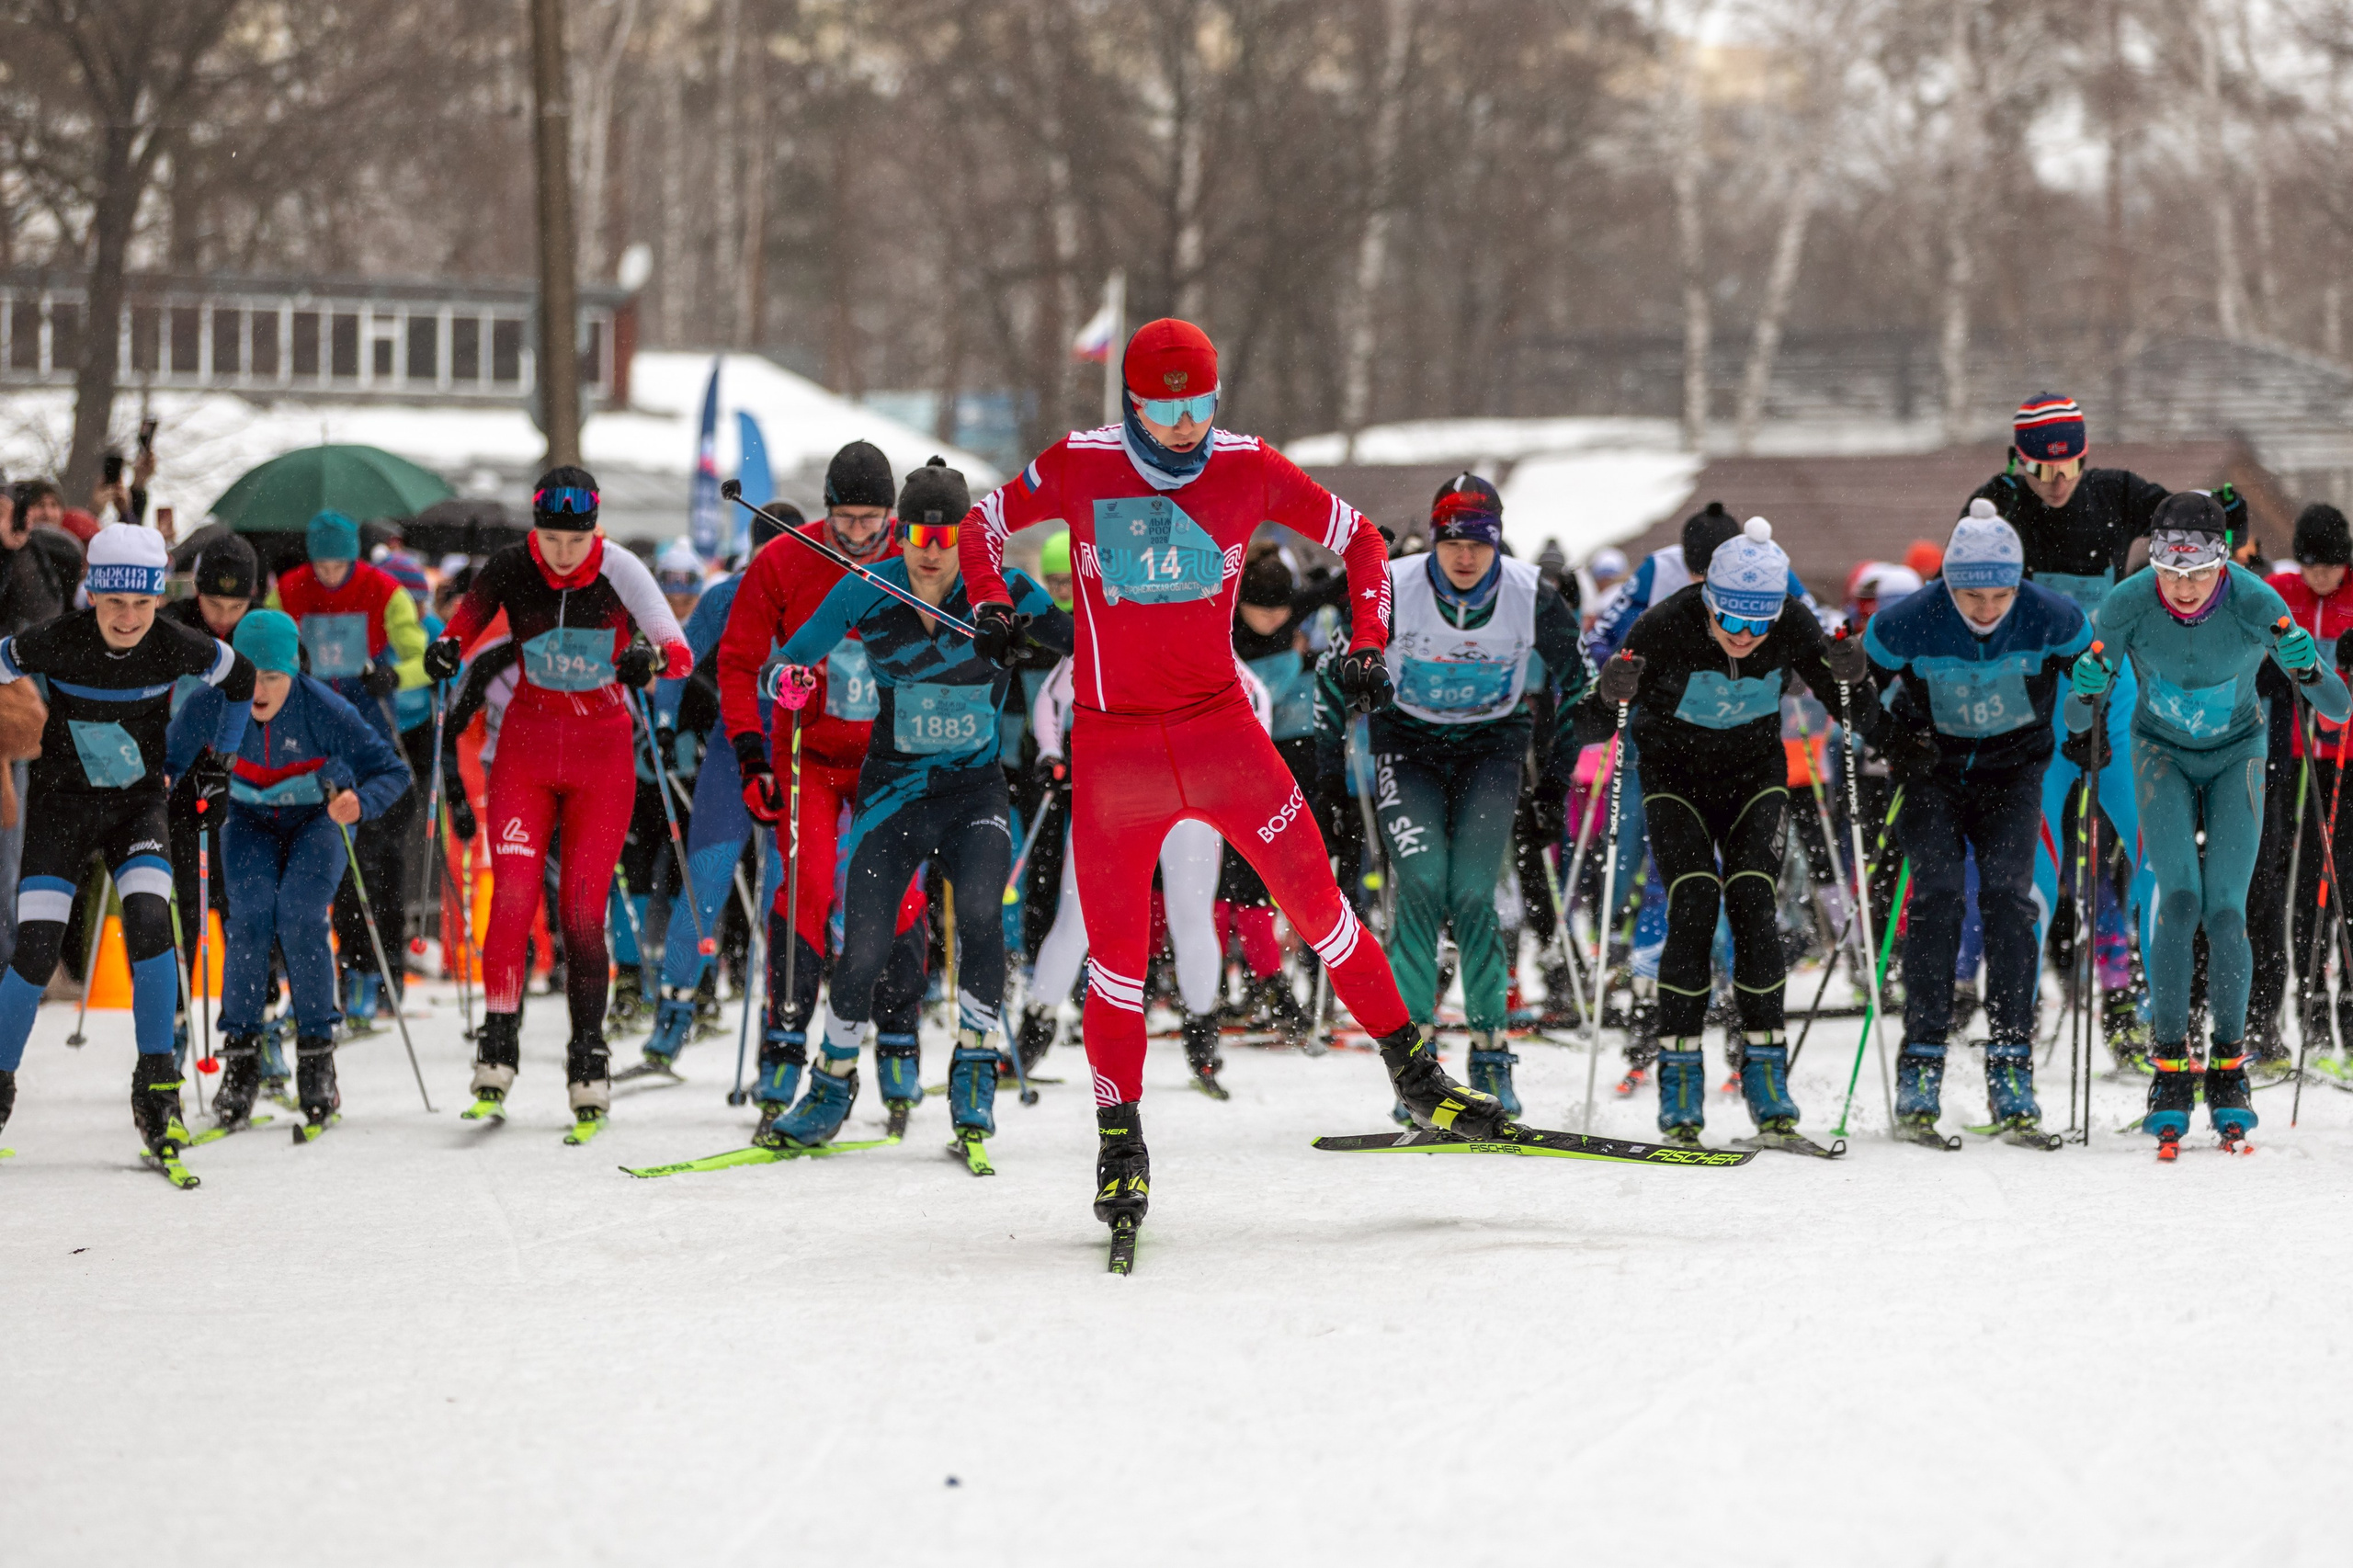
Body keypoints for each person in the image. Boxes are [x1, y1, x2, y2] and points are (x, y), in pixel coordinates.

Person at [960, 317, 1511, 1249]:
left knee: (1322, 908)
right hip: (1115, 751)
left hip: (1222, 734)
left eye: (1200, 402)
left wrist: (1368, 641)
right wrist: (990, 601)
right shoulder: (1081, 462)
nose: (1185, 424)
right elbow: (983, 523)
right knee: (1118, 964)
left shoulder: (1248, 466)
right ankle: (1119, 1138)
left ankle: (1415, 1073)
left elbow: (1367, 544)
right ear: (1132, 398)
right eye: (1165, 404)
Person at [761, 458, 1073, 1159]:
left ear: (969, 539)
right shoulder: (865, 589)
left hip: (974, 795)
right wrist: (787, 681)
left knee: (985, 916)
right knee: (865, 947)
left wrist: (1046, 627)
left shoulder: (1007, 591)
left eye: (949, 538)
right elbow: (785, 661)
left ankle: (973, 1070)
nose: (932, 553)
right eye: (918, 537)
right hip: (895, 794)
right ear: (898, 535)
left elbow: (1084, 646)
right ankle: (831, 1084)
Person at [2067, 493, 2348, 1154]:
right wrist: (2084, 689)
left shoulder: (2256, 603)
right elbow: (2080, 722)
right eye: (2171, 571)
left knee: (2226, 909)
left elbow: (2335, 708)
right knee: (2180, 898)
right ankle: (2169, 1066)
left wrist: (2309, 664)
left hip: (2237, 756)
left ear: (2223, 561)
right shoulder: (2128, 604)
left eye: (2199, 572)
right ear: (2154, 563)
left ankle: (2228, 1064)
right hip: (2159, 752)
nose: (2186, 587)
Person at [1591, 517, 1878, 1151]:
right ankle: (1680, 1082)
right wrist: (1607, 691)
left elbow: (1848, 701)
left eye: (1760, 625)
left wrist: (1861, 680)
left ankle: (1766, 1082)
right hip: (1676, 781)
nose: (1746, 638)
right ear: (1710, 601)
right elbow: (1595, 715)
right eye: (1731, 622)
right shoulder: (1665, 623)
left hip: (1753, 778)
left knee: (1752, 901)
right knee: (1693, 902)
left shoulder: (1794, 623)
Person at [422, 467, 691, 1136]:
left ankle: (587, 1054)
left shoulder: (622, 569)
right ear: (535, 530)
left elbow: (679, 652)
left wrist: (647, 663)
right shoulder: (513, 566)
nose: (562, 555)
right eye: (550, 539)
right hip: (528, 750)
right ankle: (498, 1041)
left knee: (579, 911)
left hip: (602, 758)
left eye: (575, 541)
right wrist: (445, 650)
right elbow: (462, 624)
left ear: (594, 531)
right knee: (512, 897)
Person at [1324, 473, 1591, 1117]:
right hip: (1408, 751)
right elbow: (1331, 677)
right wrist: (1327, 782)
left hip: (1490, 752)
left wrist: (1554, 783)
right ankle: (1416, 1071)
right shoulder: (1394, 584)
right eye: (1450, 540)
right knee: (1418, 886)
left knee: (1473, 893)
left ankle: (1492, 1059)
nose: (1464, 556)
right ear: (1435, 539)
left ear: (1498, 542)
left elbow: (1579, 687)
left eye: (1478, 541)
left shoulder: (1532, 595)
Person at [1964, 392, 2215, 1056]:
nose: (2056, 484)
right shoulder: (1995, 506)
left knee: (2159, 857)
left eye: (2068, 466)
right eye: (2039, 470)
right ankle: (2012, 1032)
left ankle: (2162, 1020)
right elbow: (1958, 602)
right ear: (2017, 460)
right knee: (2032, 876)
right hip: (2033, 711)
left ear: (2084, 454)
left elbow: (2182, 524)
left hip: (2114, 696)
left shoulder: (2116, 493)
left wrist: (2218, 518)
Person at [0, 526, 256, 1167]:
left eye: (142, 604)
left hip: (137, 810)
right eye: (115, 603)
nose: (129, 618)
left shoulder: (174, 640)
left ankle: (157, 1096)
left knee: (150, 927)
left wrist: (218, 762)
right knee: (33, 951)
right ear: (93, 594)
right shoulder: (58, 638)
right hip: (61, 813)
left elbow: (241, 677)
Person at [1863, 501, 2090, 1147]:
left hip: (2012, 775)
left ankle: (2012, 1065)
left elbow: (2094, 677)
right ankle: (1921, 1065)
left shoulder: (2053, 616)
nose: (1987, 608)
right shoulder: (1909, 621)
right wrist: (1889, 736)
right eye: (1971, 594)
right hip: (1931, 774)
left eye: (2000, 594)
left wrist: (2085, 730)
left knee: (2008, 899)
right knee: (1936, 898)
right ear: (1947, 584)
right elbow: (1851, 687)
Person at [166, 611, 409, 1136]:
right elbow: (168, 762)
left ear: (294, 674)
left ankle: (317, 1058)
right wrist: (181, 793)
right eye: (248, 676)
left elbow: (391, 769)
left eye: (273, 678)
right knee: (249, 920)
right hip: (248, 821)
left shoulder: (324, 707)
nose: (259, 690)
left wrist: (359, 803)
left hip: (315, 822)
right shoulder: (211, 702)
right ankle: (243, 1061)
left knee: (299, 916)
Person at [631, 502, 802, 1067]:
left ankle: (785, 1024)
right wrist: (661, 721)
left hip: (795, 757)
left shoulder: (821, 593)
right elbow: (681, 658)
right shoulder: (725, 597)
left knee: (786, 892)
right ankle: (673, 1016)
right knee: (704, 880)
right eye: (766, 553)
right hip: (733, 755)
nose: (776, 564)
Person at [273, 509, 424, 1028]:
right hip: (311, 739)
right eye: (323, 564)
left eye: (340, 563)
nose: (331, 574)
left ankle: (376, 975)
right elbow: (268, 647)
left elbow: (423, 655)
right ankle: (332, 976)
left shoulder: (383, 589)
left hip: (369, 737)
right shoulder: (290, 589)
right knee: (324, 871)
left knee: (374, 868)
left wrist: (392, 675)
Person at [2253, 504, 2353, 1074]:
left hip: (2344, 755)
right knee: (2296, 880)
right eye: (2314, 566)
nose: (2322, 578)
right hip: (2289, 754)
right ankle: (2309, 1017)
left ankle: (2348, 1021)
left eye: (2333, 567)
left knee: (2345, 882)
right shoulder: (2281, 591)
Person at [161, 534, 260, 1062]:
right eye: (214, 604)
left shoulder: (264, 633)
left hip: (244, 790)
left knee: (243, 910)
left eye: (237, 606)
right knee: (183, 910)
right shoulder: (168, 627)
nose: (224, 618)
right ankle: (173, 1027)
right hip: (176, 783)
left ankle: (250, 1029)